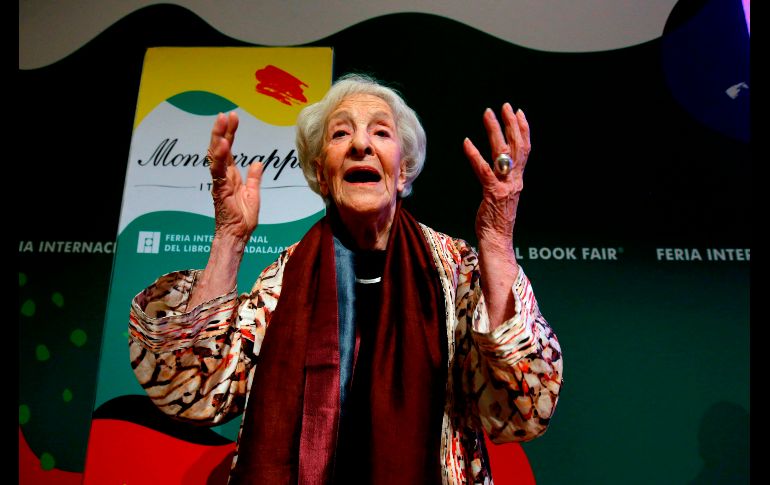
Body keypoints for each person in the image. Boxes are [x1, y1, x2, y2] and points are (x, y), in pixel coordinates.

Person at [128, 73, 563, 484]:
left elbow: (521, 407)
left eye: (380, 132)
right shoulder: (283, 280)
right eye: (340, 134)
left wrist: (496, 238)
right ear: (321, 172)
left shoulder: (456, 269)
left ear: (404, 171)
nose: (360, 144)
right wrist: (229, 237)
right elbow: (193, 388)